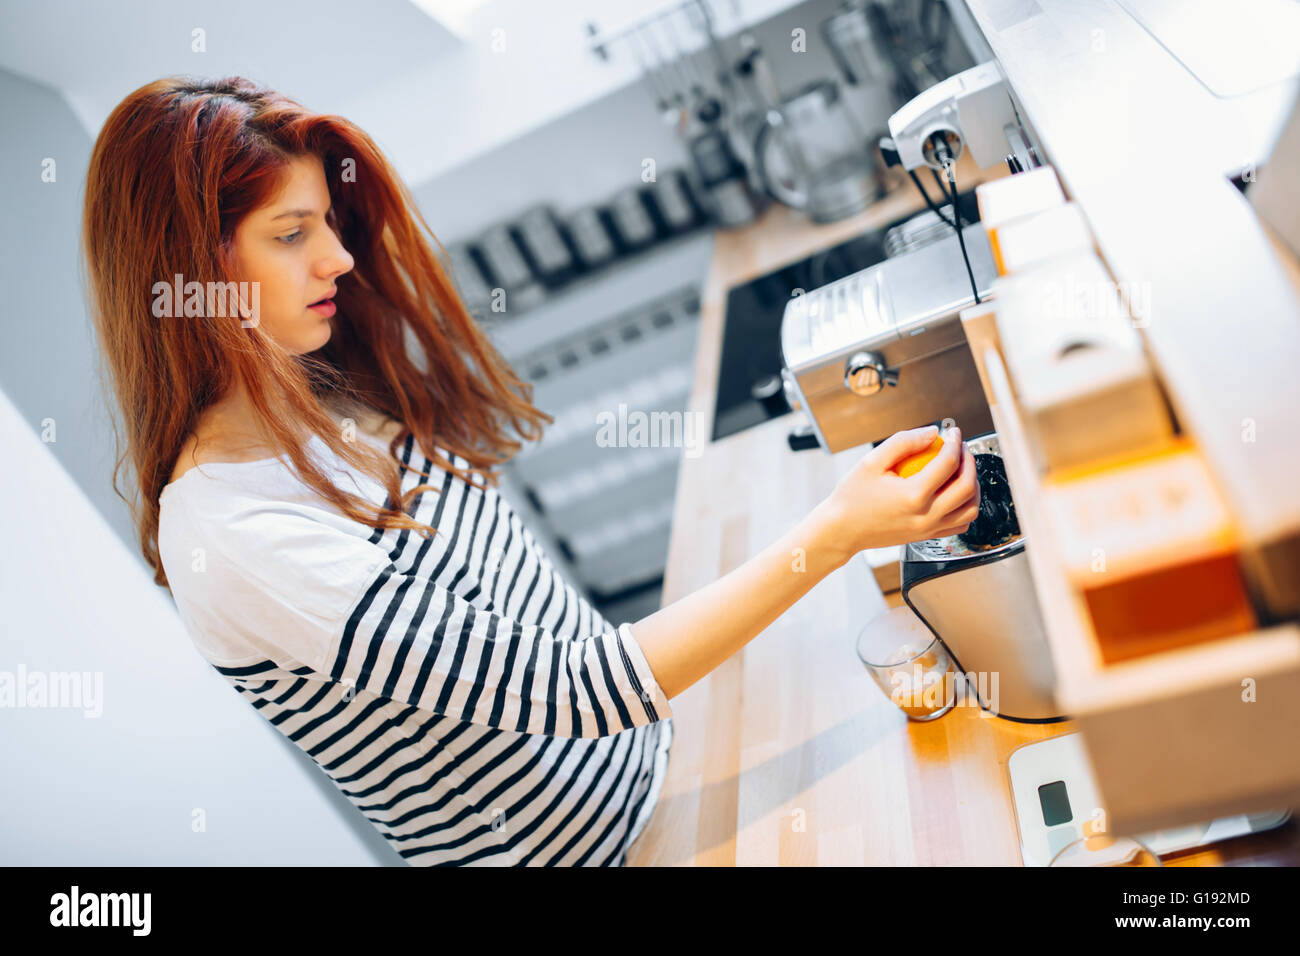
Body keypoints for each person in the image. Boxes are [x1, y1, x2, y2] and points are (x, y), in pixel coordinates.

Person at [81, 76, 980, 867]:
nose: (340, 259)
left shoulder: (322, 395)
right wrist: (836, 530)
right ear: (194, 271)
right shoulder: (229, 534)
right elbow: (569, 688)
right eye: (291, 233)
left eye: (325, 223)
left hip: (668, 778)